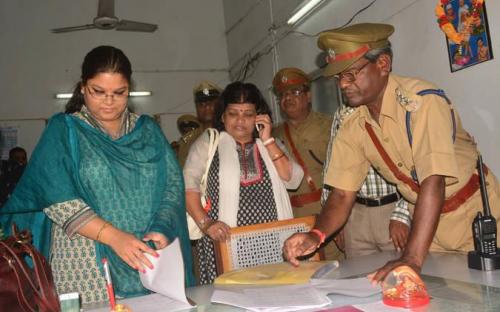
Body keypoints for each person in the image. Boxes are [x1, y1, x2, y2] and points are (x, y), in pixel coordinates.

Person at [283, 23, 500, 283]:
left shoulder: (422, 103)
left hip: (474, 218)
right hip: (429, 226)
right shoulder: (353, 123)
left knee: (488, 294)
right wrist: (315, 236)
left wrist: (411, 258)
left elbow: (433, 180)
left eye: (350, 75)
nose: (342, 84)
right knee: (439, 297)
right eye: (338, 77)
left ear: (383, 64)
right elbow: (341, 194)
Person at [0, 45, 194, 303]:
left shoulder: (148, 131)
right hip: (85, 263)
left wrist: (162, 227)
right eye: (98, 92)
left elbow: (171, 186)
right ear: (83, 87)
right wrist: (115, 237)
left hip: (147, 258)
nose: (109, 101)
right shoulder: (64, 130)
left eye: (119, 93)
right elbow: (56, 198)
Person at [184, 81, 303, 284]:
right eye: (233, 113)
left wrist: (267, 139)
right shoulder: (210, 142)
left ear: (259, 116)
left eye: (248, 114)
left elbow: (292, 179)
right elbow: (188, 186)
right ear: (223, 116)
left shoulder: (270, 144)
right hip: (224, 242)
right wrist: (206, 223)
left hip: (272, 241)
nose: (240, 121)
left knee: (274, 294)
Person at [321, 103, 411, 258]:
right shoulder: (342, 113)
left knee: (400, 277)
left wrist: (402, 215)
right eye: (341, 77)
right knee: (358, 277)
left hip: (391, 212)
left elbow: (413, 169)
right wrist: (333, 220)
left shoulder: (390, 107)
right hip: (354, 214)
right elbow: (332, 166)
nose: (345, 83)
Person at [271, 68, 343, 261]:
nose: (288, 98)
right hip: (292, 217)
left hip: (327, 211)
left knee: (337, 268)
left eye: (294, 92)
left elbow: (346, 175)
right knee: (303, 271)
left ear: (308, 96)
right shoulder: (273, 135)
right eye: (283, 95)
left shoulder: (330, 125)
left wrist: (344, 221)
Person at [177, 81, 222, 167]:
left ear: (219, 105)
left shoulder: (228, 134)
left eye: (211, 103)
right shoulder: (187, 141)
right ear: (196, 108)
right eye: (201, 104)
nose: (206, 107)